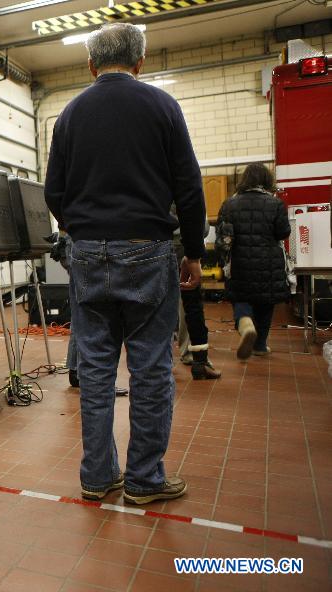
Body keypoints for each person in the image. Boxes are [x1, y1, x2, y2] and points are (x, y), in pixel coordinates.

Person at [44, 23, 206, 505]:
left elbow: (54, 191)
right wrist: (193, 251)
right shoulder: (162, 106)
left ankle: (97, 476)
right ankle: (144, 480)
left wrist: (83, 230)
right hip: (148, 249)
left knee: (94, 368)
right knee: (151, 368)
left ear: (91, 65)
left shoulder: (70, 114)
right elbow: (189, 186)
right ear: (140, 63)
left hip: (88, 253)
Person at [215, 164, 290, 359]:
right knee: (265, 303)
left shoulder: (229, 204)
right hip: (268, 263)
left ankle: (245, 323)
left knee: (241, 297)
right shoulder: (276, 204)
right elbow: (283, 232)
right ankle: (260, 345)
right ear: (266, 180)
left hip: (239, 263)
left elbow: (221, 234)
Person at [52, 233, 128, 396]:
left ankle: (76, 371)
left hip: (75, 242)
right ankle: (90, 378)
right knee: (100, 316)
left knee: (82, 312)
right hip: (90, 242)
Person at [174, 213, 221, 379]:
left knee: (158, 304)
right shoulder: (186, 187)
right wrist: (193, 256)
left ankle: (162, 358)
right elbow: (202, 224)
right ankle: (193, 356)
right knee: (188, 304)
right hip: (185, 247)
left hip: (152, 247)